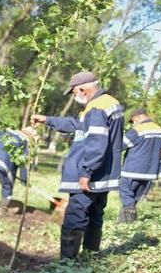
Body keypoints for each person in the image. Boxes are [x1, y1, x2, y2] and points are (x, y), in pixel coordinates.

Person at [32, 71, 123, 259]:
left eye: (73, 93)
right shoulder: (106, 103)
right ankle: (90, 256)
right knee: (95, 215)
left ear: (82, 90)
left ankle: (67, 264)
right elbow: (76, 125)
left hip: (90, 176)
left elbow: (97, 143)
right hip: (103, 174)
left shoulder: (96, 108)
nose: (74, 97)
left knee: (75, 215)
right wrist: (47, 120)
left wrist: (86, 172)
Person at [118, 108, 161, 222]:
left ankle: (129, 221)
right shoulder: (159, 129)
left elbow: (120, 145)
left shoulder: (138, 130)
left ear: (138, 117)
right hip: (149, 172)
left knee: (126, 194)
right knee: (134, 197)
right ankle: (124, 221)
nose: (133, 124)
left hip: (133, 169)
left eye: (133, 121)